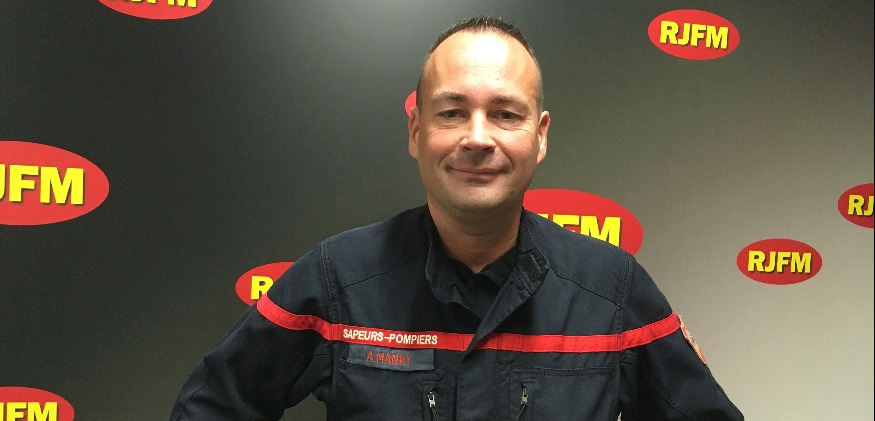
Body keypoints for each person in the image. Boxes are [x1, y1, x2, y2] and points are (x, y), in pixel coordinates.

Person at [170, 16, 744, 420]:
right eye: (452, 112)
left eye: (505, 114)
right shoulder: (337, 279)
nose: (477, 137)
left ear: (540, 137)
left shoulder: (611, 291)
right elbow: (211, 408)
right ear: (416, 131)